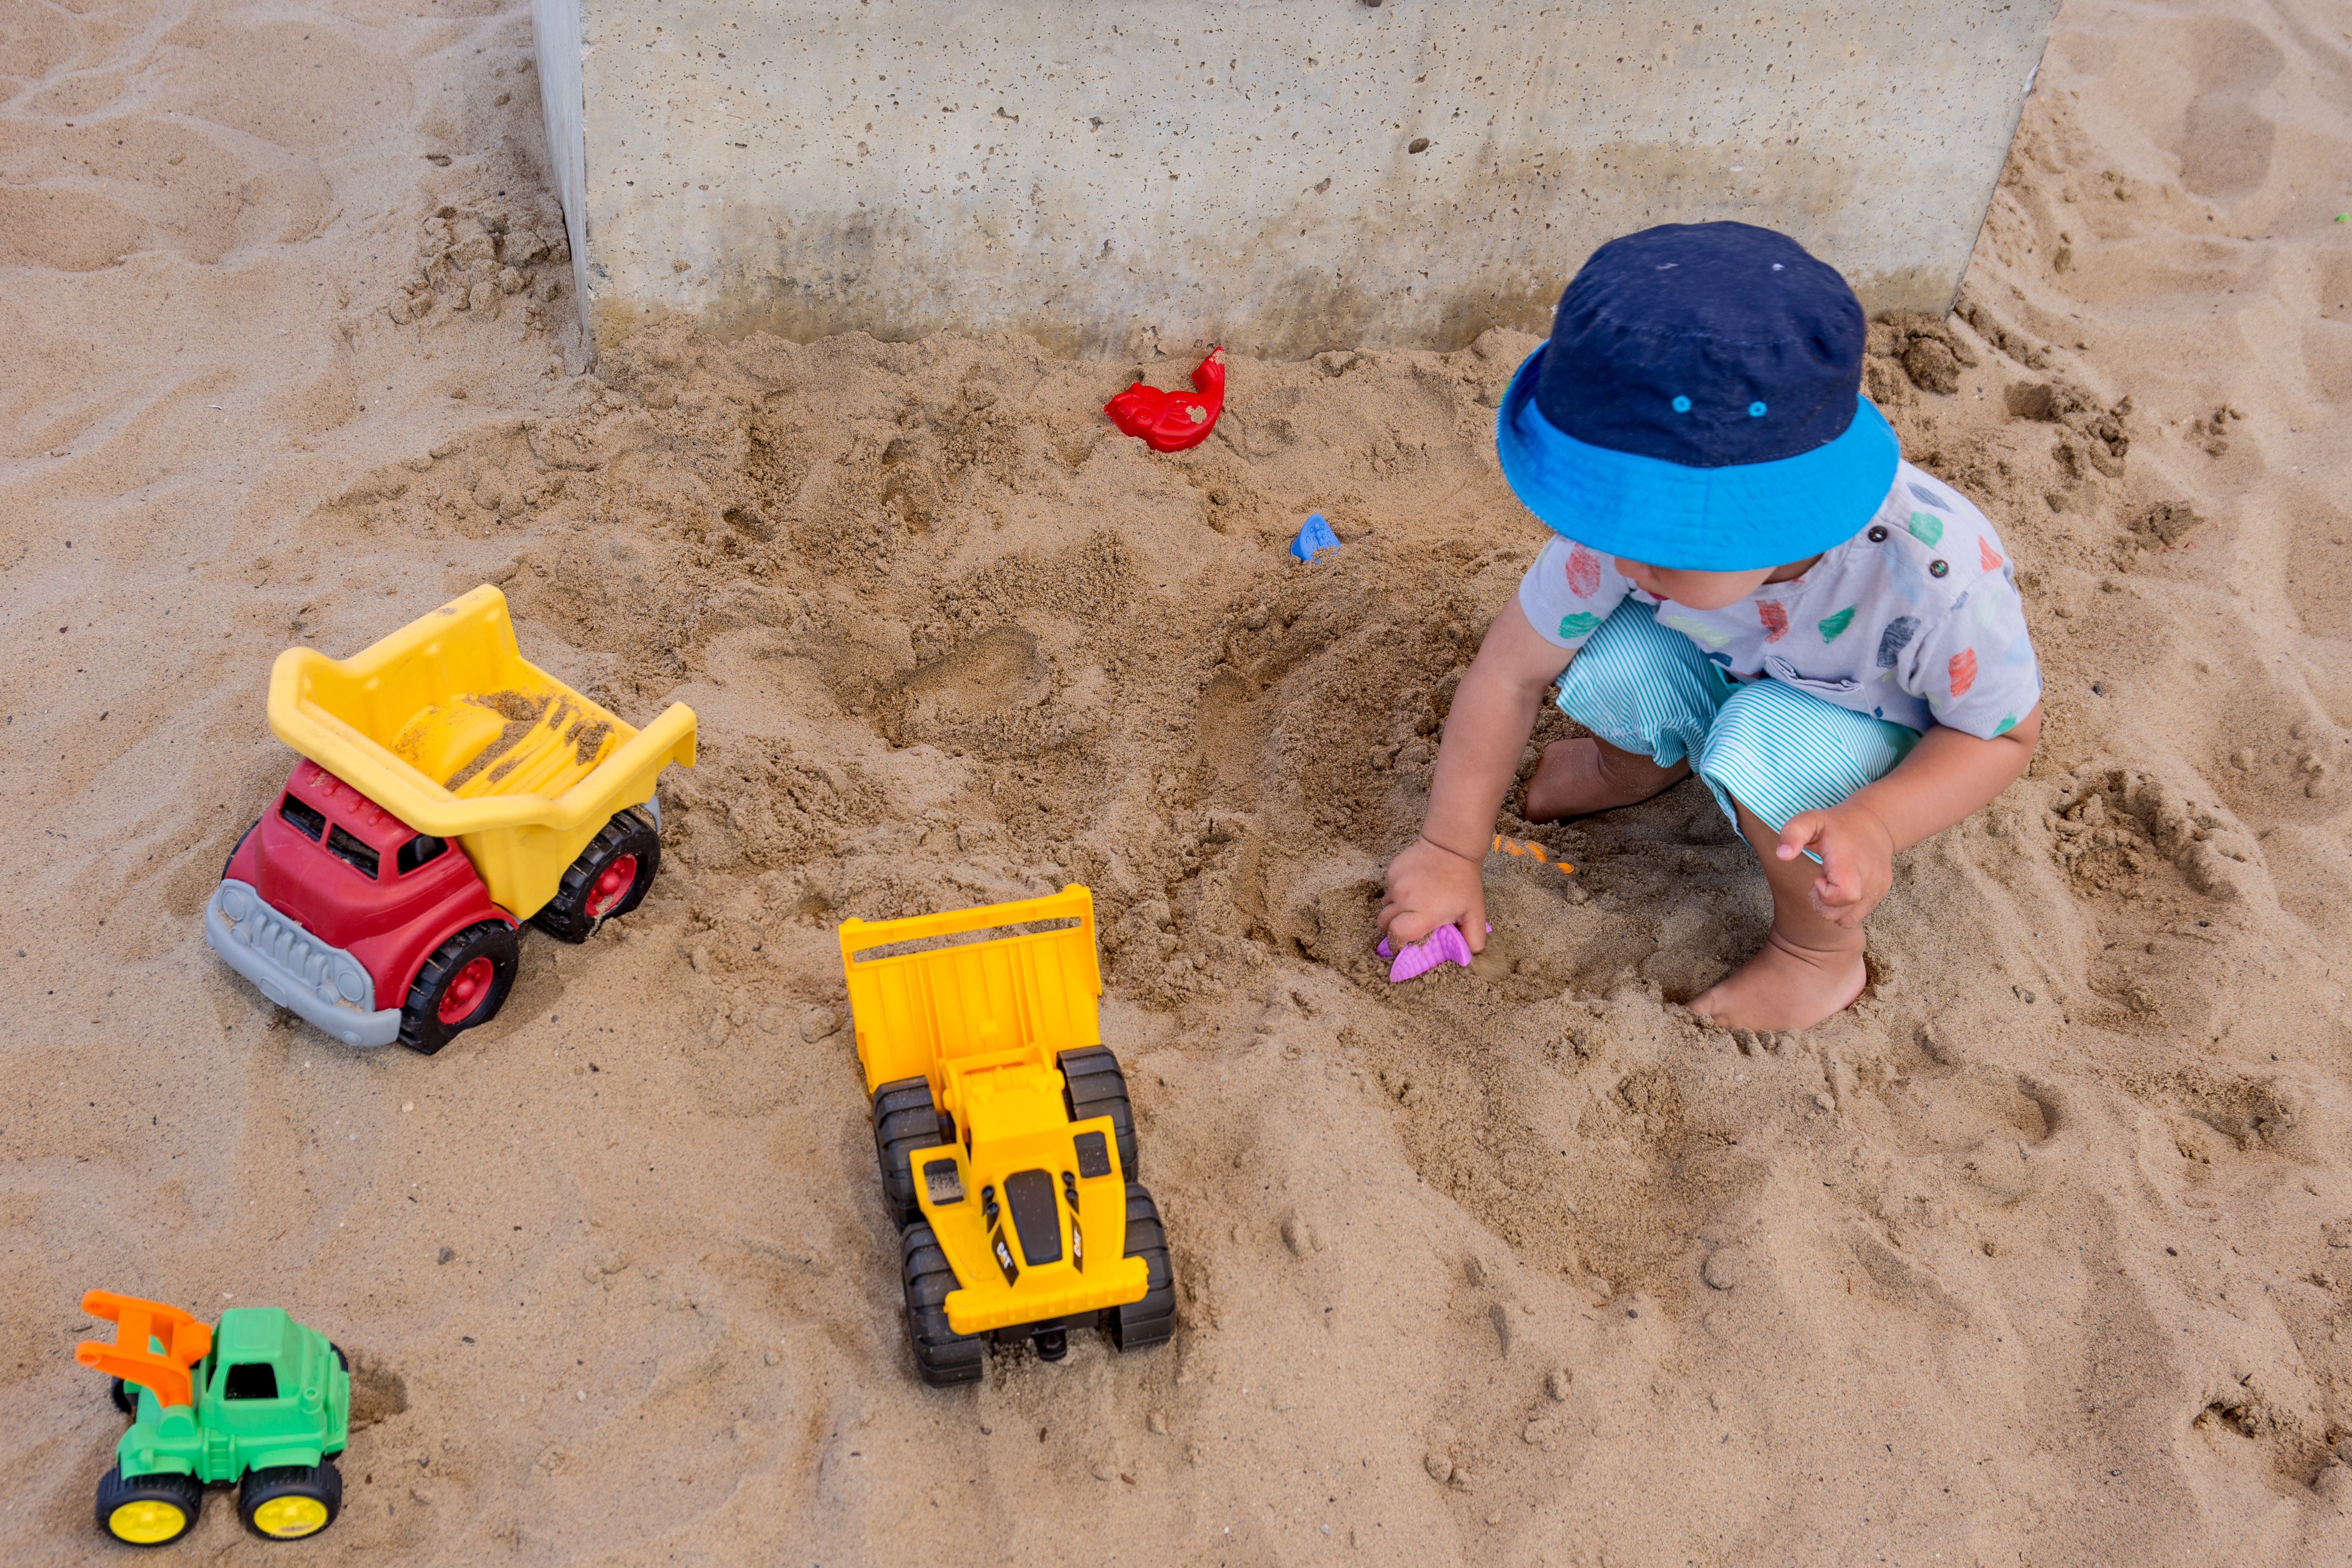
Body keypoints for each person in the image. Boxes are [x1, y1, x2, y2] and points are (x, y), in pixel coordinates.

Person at [1377, 223, 2043, 1031]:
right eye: (1609, 514)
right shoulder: (1626, 546)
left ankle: (1819, 960)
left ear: (1777, 517)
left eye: (1660, 539)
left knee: (1759, 740)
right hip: (1732, 661)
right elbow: (1511, 671)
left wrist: (1876, 822)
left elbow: (2002, 736)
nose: (1619, 552)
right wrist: (1451, 851)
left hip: (1858, 730)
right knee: (1610, 658)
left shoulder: (1935, 579)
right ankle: (1634, 770)